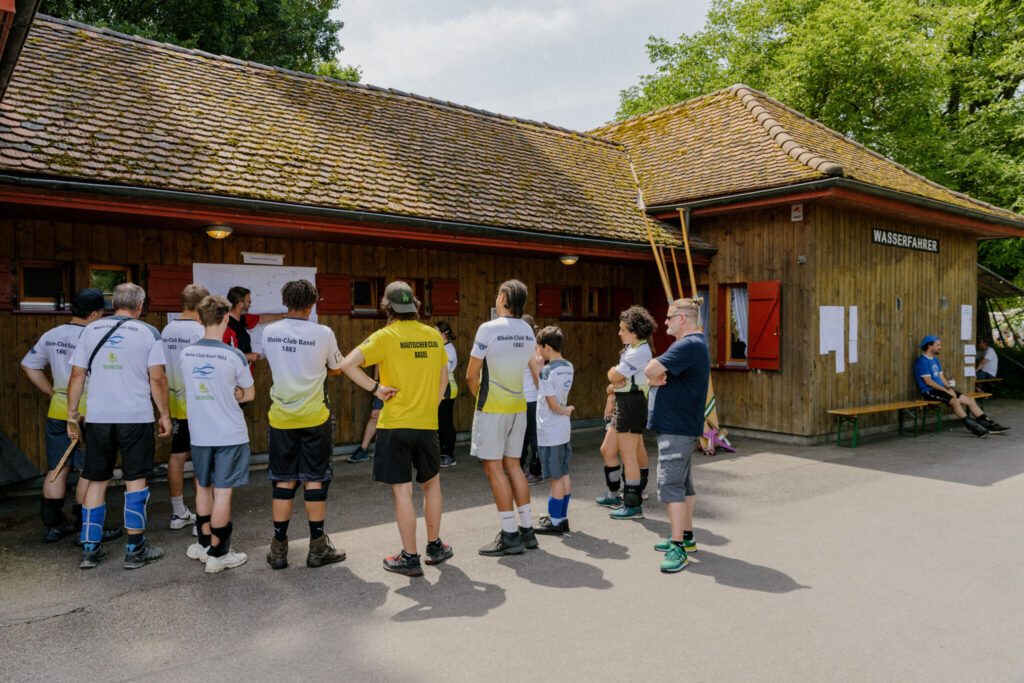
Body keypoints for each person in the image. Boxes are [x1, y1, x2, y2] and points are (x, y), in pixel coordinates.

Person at [340, 281, 452, 576]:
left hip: (394, 425)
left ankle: (410, 557)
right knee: (432, 485)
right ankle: (435, 546)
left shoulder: (385, 336)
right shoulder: (433, 335)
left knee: (403, 491)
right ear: (415, 306)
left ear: (387, 308)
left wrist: (375, 388)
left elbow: (346, 364)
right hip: (426, 424)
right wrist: (431, 403)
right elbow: (444, 379)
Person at [67, 283, 171, 570]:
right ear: (140, 306)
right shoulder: (149, 332)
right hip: (135, 417)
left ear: (113, 304)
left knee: (96, 479)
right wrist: (164, 414)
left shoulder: (90, 330)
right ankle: (135, 549)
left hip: (99, 417)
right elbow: (158, 378)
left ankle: (90, 549)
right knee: (135, 479)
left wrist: (72, 414)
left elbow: (76, 374)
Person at [21, 288, 121, 545]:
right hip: (90, 411)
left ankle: (54, 527)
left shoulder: (52, 334)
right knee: (89, 470)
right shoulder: (96, 336)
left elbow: (29, 365)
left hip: (59, 408)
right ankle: (85, 527)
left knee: (57, 467)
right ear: (94, 314)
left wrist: (52, 391)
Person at [261, 280, 345, 569]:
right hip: (314, 416)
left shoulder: (269, 332)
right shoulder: (323, 333)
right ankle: (317, 547)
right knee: (315, 478)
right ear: (313, 304)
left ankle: (278, 550)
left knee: (283, 480)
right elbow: (336, 368)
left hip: (281, 417)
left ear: (285, 302)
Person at [179, 295, 255, 573]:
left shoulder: (186, 353)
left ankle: (204, 545)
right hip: (229, 433)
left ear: (199, 319)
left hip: (200, 433)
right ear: (226, 318)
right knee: (222, 493)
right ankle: (219, 554)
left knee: (203, 487)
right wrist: (237, 393)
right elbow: (249, 393)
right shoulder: (234, 355)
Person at [467, 279, 538, 556]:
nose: (496, 297)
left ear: (504, 298)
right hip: (518, 406)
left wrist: (481, 399)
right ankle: (527, 530)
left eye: (498, 293)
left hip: (493, 408)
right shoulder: (528, 330)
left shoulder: (488, 328)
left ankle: (509, 535)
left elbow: (471, 375)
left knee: (494, 468)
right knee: (514, 466)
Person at [643, 297, 710, 573]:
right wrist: (654, 377)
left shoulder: (687, 345)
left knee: (670, 485)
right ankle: (687, 536)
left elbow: (649, 370)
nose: (665, 322)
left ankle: (677, 546)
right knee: (684, 484)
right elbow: (654, 375)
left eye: (669, 317)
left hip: (677, 428)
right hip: (682, 426)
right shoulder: (695, 344)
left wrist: (653, 376)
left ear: (682, 319)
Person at [161, 283, 209, 533]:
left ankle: (178, 512)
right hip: (200, 403)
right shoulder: (200, 331)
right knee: (203, 458)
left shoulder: (167, 330)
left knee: (177, 455)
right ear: (201, 305)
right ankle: (202, 519)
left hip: (175, 404)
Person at [601, 306, 656, 519]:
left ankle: (633, 503)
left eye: (623, 329)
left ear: (634, 331)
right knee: (607, 449)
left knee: (628, 455)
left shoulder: (639, 351)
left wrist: (615, 375)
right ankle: (615, 494)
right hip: (624, 403)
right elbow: (615, 379)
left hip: (633, 403)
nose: (619, 333)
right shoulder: (631, 349)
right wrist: (615, 379)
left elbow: (614, 376)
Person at [915, 335, 1008, 437]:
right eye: (938, 345)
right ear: (929, 346)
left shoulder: (935, 360)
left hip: (942, 389)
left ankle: (990, 425)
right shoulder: (922, 361)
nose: (940, 347)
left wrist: (949, 388)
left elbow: (941, 377)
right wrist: (946, 390)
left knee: (970, 400)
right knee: (955, 401)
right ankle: (974, 428)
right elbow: (929, 382)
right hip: (930, 391)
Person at [531, 326, 575, 535]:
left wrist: (565, 410)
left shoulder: (546, 372)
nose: (538, 351)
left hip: (550, 429)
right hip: (563, 430)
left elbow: (552, 405)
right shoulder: (569, 366)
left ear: (547, 347)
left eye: (540, 347)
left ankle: (555, 521)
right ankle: (562, 518)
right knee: (563, 473)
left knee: (555, 477)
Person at [223, 286, 284, 367]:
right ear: (240, 304)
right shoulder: (224, 325)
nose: (250, 305)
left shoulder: (243, 318)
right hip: (233, 371)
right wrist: (247, 357)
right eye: (248, 302)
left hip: (247, 369)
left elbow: (261, 318)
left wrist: (284, 315)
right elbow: (222, 354)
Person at [519, 314, 543, 484]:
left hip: (531, 398)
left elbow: (537, 376)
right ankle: (519, 467)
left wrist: (542, 397)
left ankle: (536, 471)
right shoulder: (524, 345)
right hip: (521, 399)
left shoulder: (533, 347)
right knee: (521, 435)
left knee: (533, 436)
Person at [435, 320, 459, 468]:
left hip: (447, 388)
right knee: (439, 422)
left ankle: (448, 455)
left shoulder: (448, 349)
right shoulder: (439, 347)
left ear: (443, 334)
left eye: (435, 331)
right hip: (438, 389)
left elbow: (445, 370)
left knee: (446, 422)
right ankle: (441, 452)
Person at [347, 365, 380, 463]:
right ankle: (363, 450)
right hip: (385, 383)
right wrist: (376, 381)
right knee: (375, 415)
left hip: (404, 383)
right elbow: (379, 362)